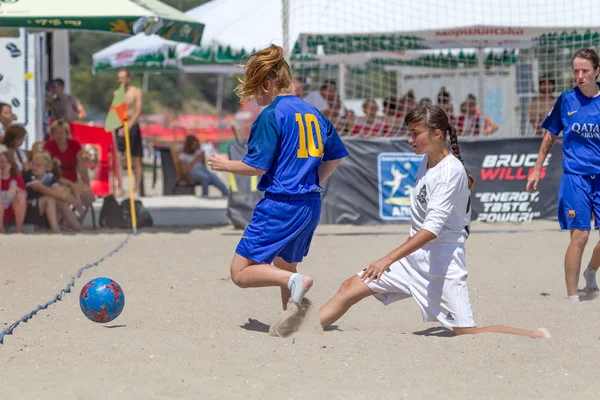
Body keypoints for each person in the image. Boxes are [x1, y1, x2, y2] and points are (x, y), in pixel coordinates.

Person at [316, 105, 548, 339]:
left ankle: (533, 335)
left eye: (415, 133)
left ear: (437, 134)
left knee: (466, 333)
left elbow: (432, 230)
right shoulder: (427, 161)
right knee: (349, 288)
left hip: (443, 262)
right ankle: (301, 326)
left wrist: (386, 259)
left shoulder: (450, 172)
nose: (410, 139)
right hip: (413, 258)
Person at [208, 45, 349, 310]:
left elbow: (257, 167)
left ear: (269, 83)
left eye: (255, 86)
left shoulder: (271, 115)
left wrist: (226, 165)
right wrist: (312, 178)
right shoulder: (313, 112)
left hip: (281, 204)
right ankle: (295, 320)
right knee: (285, 265)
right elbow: (336, 156)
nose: (251, 95)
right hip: (310, 204)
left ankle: (297, 282)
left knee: (240, 272)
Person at [527, 48, 600, 300]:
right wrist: (536, 169)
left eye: (585, 71)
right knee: (579, 235)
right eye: (576, 71)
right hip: (575, 177)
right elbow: (549, 136)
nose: (579, 76)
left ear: (597, 72)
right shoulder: (566, 100)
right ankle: (572, 298)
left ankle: (591, 272)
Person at [43, 120, 94, 216]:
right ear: (52, 134)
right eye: (56, 133)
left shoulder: (74, 145)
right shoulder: (48, 146)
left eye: (61, 132)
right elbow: (48, 169)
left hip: (73, 179)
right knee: (65, 193)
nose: (59, 135)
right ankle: (64, 220)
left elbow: (81, 167)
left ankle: (78, 221)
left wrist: (87, 183)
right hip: (56, 180)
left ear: (67, 133)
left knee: (87, 193)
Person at [22, 152, 83, 233]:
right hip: (28, 208)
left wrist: (71, 198)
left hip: (40, 208)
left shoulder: (49, 176)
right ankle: (56, 230)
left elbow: (58, 189)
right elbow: (43, 189)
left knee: (61, 201)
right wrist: (66, 196)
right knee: (50, 199)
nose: (34, 167)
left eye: (38, 165)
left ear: (46, 168)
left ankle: (78, 228)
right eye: (33, 164)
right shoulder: (28, 175)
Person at [114, 68, 143, 196]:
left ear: (128, 79)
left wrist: (129, 126)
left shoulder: (135, 91)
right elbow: (115, 112)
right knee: (118, 157)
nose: (122, 80)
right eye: (119, 78)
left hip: (133, 125)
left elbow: (138, 109)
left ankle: (137, 188)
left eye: (123, 78)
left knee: (136, 158)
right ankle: (120, 187)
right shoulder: (116, 93)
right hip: (120, 125)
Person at [0, 146, 26, 233]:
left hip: (11, 209)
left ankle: (18, 230)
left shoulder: (16, 176)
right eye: (0, 162)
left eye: (4, 162)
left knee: (20, 196)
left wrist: (15, 188)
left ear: (11, 164)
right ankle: (1, 229)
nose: (2, 165)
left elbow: (24, 194)